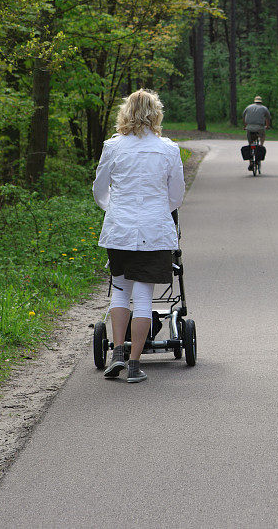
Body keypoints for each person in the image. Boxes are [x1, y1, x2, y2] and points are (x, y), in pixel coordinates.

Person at [93, 89, 185, 383]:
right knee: (144, 297)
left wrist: (117, 209)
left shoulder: (113, 146)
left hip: (119, 230)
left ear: (126, 112)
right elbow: (176, 195)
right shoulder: (169, 149)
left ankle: (117, 353)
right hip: (154, 230)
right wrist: (157, 210)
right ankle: (134, 365)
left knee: (120, 291)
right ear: (156, 113)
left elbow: (99, 190)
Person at [242, 95, 271, 171]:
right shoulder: (264, 108)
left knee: (250, 143)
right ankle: (261, 145)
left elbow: (243, 115)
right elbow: (268, 117)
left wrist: (245, 126)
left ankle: (251, 161)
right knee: (263, 135)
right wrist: (267, 126)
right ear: (261, 102)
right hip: (260, 127)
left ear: (254, 101)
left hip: (249, 127)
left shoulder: (248, 107)